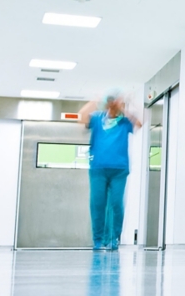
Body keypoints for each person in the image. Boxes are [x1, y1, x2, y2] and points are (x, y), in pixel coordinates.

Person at [78, 90, 142, 251]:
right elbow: (82, 116)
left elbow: (139, 123)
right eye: (111, 103)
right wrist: (96, 100)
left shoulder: (125, 121)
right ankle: (98, 240)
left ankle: (114, 238)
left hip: (119, 169)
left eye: (116, 103)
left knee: (116, 204)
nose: (113, 106)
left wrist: (125, 106)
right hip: (98, 168)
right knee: (97, 204)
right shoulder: (97, 118)